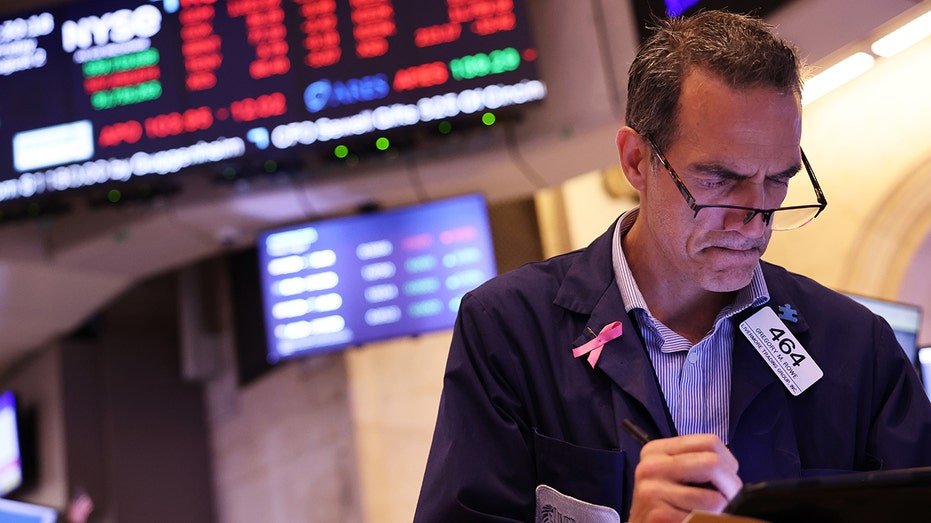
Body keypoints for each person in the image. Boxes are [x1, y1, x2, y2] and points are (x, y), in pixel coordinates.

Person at [413, 9, 931, 523]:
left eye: (778, 180)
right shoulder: (511, 330)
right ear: (636, 160)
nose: (754, 223)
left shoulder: (857, 349)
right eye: (719, 180)